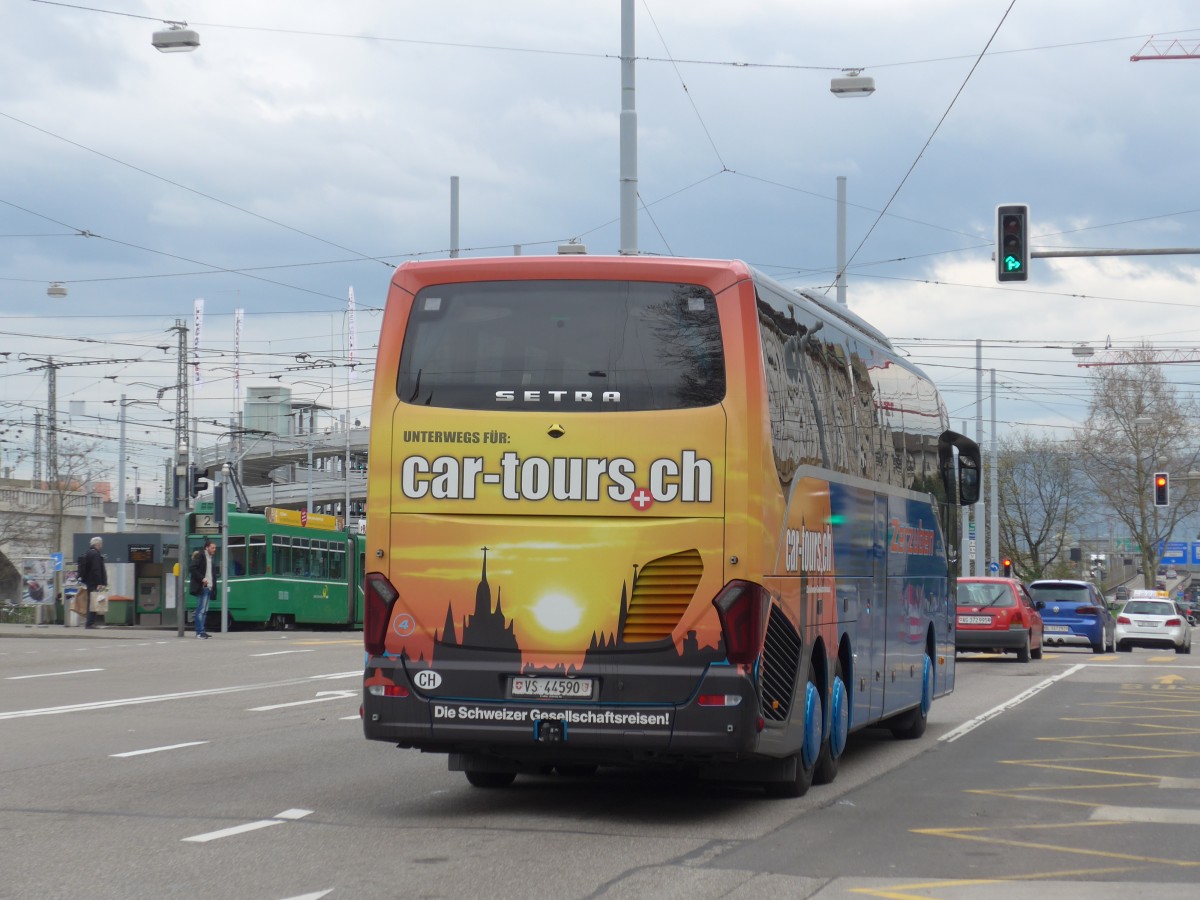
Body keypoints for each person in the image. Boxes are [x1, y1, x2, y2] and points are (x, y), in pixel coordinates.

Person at [188, 540, 216, 639]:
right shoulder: (201, 556)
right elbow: (192, 568)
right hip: (203, 587)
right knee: (201, 610)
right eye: (212, 548)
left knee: (204, 610)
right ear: (206, 548)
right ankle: (199, 632)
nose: (214, 550)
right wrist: (202, 578)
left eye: (215, 548)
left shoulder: (210, 558)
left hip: (208, 587)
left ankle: (202, 631)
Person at [80, 536, 108, 629]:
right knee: (94, 602)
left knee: (92, 601)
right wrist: (99, 582)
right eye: (100, 544)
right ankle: (90, 623)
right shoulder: (95, 554)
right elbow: (96, 569)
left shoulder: (87, 553)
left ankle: (90, 622)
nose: (101, 546)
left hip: (89, 581)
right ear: (97, 544)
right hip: (94, 582)